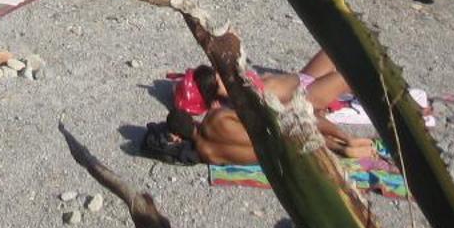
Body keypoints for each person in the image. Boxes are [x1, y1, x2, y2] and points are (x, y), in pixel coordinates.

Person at [158, 53, 382, 166]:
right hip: (306, 95)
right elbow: (285, 115)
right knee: (354, 71)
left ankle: (344, 145)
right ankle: (350, 139)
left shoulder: (209, 152)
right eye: (217, 77)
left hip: (302, 84)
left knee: (334, 53)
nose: (220, 72)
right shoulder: (234, 104)